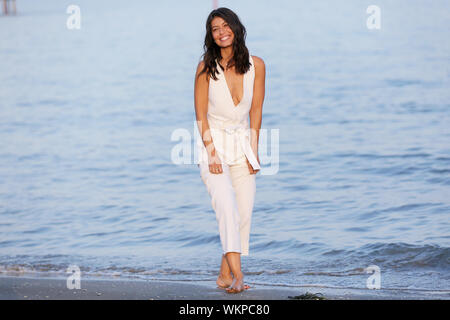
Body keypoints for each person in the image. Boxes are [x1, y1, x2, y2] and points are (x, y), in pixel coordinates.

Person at [194, 7, 265, 294]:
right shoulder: (205, 67)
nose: (221, 32)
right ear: (210, 35)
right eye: (215, 28)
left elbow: (257, 110)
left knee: (244, 213)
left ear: (236, 28)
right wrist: (211, 152)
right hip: (212, 146)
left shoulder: (256, 65)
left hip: (242, 146)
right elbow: (200, 114)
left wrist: (254, 149)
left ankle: (223, 275)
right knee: (226, 206)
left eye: (226, 26)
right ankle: (237, 276)